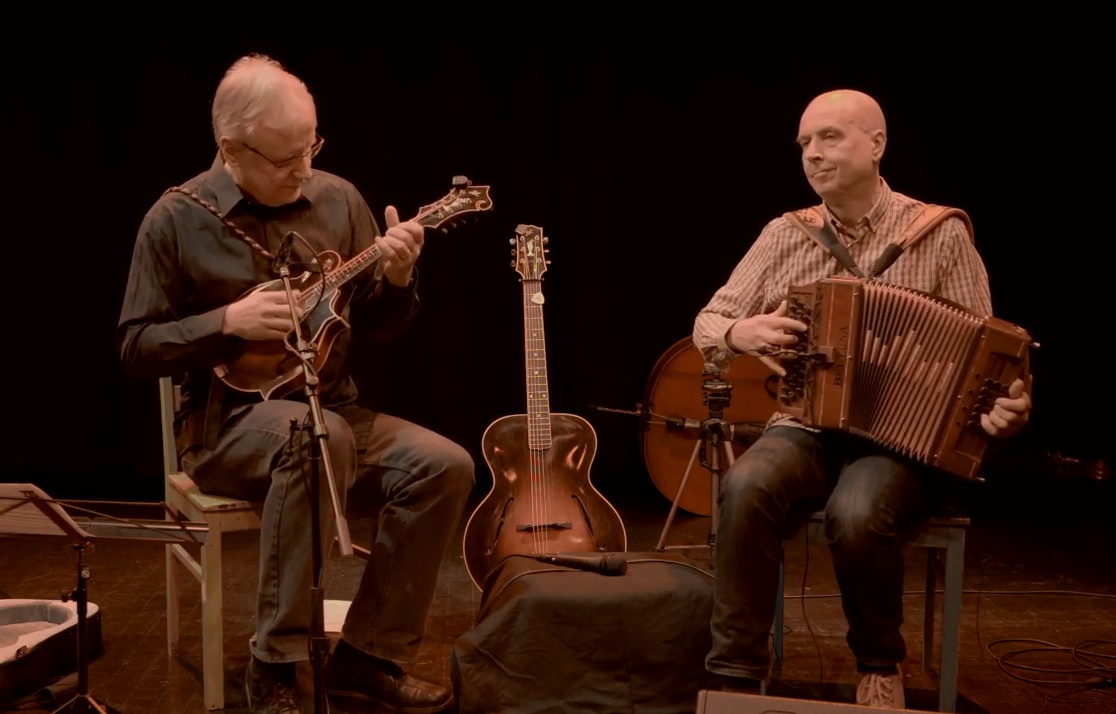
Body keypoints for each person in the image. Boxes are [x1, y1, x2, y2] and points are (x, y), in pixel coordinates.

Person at [116, 54, 475, 714]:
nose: (303, 170)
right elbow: (136, 347)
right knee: (316, 438)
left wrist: (396, 278)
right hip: (226, 429)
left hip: (331, 410)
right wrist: (227, 321)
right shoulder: (174, 220)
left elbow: (378, 326)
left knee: (443, 466)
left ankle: (367, 660)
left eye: (310, 148)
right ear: (230, 148)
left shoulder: (337, 201)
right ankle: (274, 665)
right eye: (285, 159)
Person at [692, 89, 1032, 709]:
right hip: (809, 425)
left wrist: (1006, 409)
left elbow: (992, 360)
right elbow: (710, 321)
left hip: (907, 445)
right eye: (803, 144)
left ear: (876, 144)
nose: (812, 155)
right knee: (745, 486)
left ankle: (878, 663)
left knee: (857, 509)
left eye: (829, 138)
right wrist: (741, 332)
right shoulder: (784, 235)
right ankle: (735, 676)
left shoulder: (939, 234)